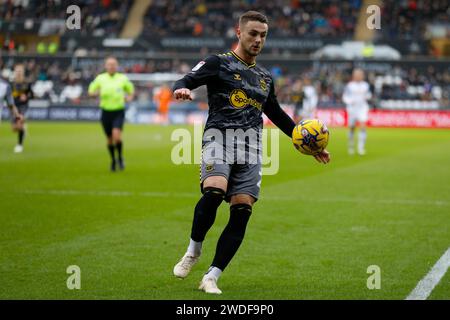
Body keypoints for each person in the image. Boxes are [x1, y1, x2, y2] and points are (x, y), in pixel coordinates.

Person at [172, 11, 330, 295]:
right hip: (218, 138)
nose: (258, 40)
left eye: (263, 35)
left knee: (242, 209)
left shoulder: (264, 77)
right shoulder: (217, 63)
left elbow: (276, 114)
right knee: (214, 191)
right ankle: (193, 251)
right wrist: (182, 89)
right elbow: (186, 79)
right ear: (239, 32)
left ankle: (212, 276)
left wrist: (305, 141)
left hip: (252, 148)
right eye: (253, 34)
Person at [88, 57, 135, 171]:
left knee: (116, 137)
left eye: (113, 64)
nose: (111, 66)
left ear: (117, 66)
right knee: (109, 139)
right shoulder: (100, 78)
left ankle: (120, 158)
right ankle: (113, 160)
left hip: (118, 111)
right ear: (105, 66)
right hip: (105, 112)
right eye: (109, 64)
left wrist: (129, 98)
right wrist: (95, 94)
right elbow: (91, 91)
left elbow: (131, 91)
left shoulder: (122, 78)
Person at [342, 68, 372, 155]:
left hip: (362, 108)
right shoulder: (350, 85)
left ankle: (360, 148)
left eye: (360, 74)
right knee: (352, 128)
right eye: (357, 74)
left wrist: (368, 97)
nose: (358, 76)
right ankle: (351, 146)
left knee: (363, 126)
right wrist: (350, 101)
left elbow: (369, 95)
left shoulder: (365, 85)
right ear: (354, 76)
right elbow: (345, 97)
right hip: (352, 109)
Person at [11, 64, 33, 153]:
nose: (19, 73)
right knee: (14, 128)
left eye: (20, 71)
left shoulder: (27, 83)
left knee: (19, 122)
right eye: (17, 71)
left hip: (23, 106)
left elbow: (32, 95)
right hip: (13, 107)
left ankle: (19, 145)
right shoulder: (12, 83)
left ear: (23, 72)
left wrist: (26, 97)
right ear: (15, 72)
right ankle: (23, 129)